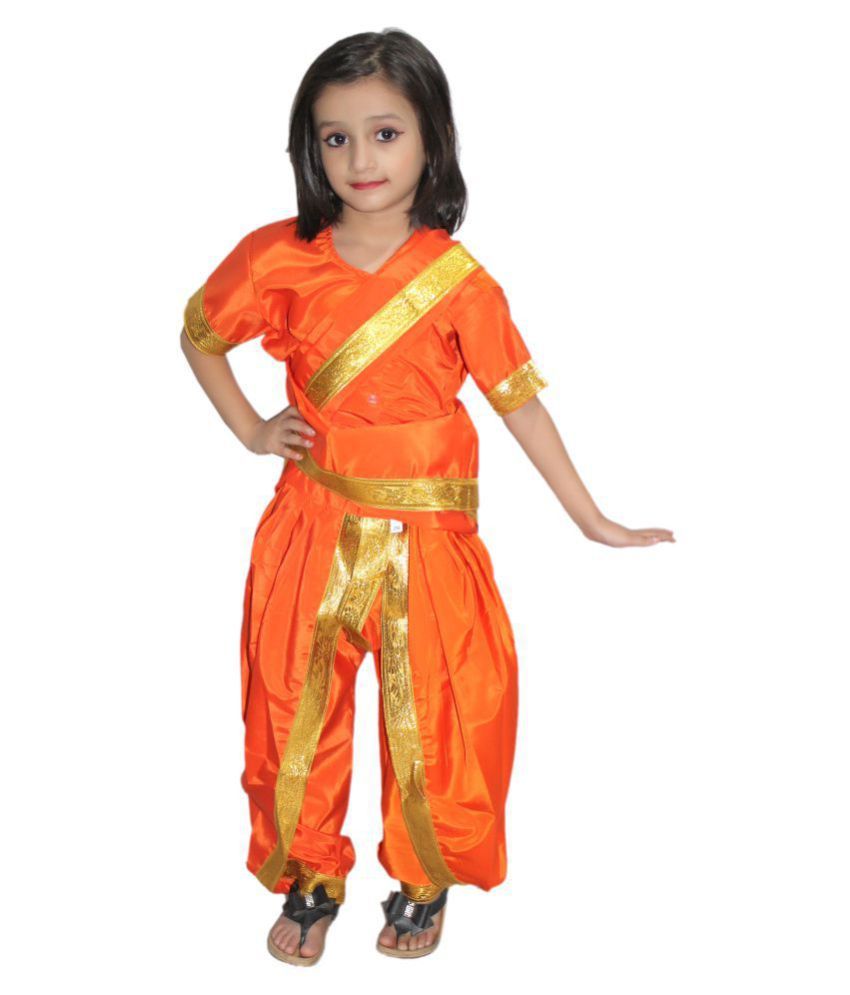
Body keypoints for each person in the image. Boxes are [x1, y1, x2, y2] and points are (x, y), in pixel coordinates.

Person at [180, 28, 674, 967]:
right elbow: (201, 333)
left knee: (441, 714)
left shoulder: (458, 281)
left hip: (430, 539)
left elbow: (519, 404)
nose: (360, 159)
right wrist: (251, 428)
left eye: (385, 132)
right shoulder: (276, 257)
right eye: (335, 138)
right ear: (308, 147)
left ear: (431, 138)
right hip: (310, 525)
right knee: (291, 708)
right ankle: (310, 874)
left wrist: (592, 518)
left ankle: (423, 877)